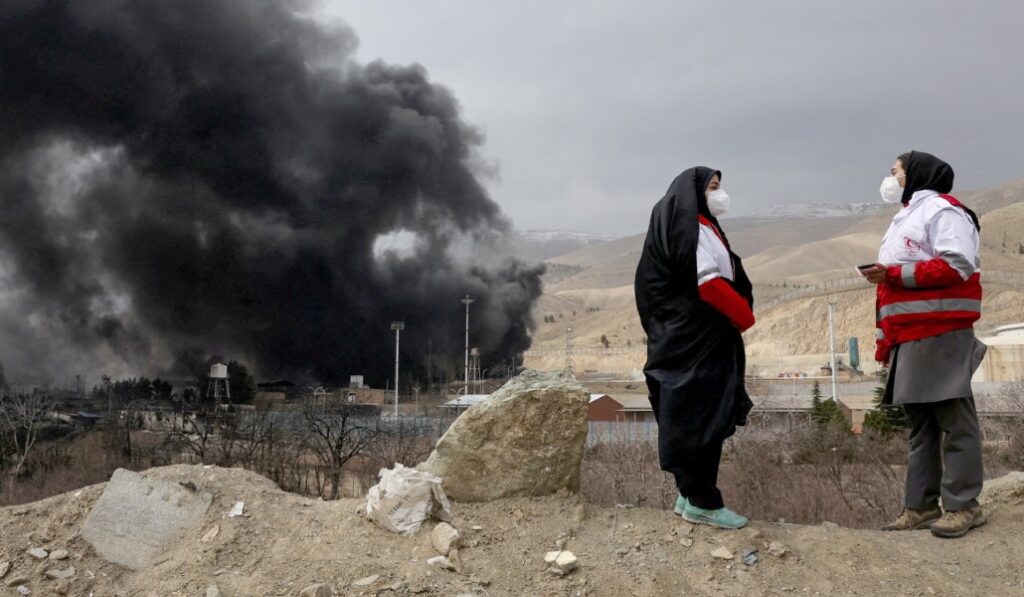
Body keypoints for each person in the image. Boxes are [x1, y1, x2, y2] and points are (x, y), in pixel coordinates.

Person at [862, 150, 987, 538]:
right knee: (921, 426)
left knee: (954, 420)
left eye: (895, 171)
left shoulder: (942, 212)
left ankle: (964, 506)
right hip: (911, 336)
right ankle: (920, 506)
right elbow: (889, 291)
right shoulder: (907, 217)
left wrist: (894, 273)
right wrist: (886, 343)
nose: (891, 178)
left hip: (940, 330)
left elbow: (957, 264)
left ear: (915, 174)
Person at [635, 166, 755, 529]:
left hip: (698, 339)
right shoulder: (689, 229)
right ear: (694, 193)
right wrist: (744, 315)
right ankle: (702, 500)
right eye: (713, 187)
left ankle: (688, 496)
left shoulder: (701, 226)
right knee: (700, 417)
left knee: (695, 414)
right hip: (696, 342)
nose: (719, 193)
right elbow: (708, 284)